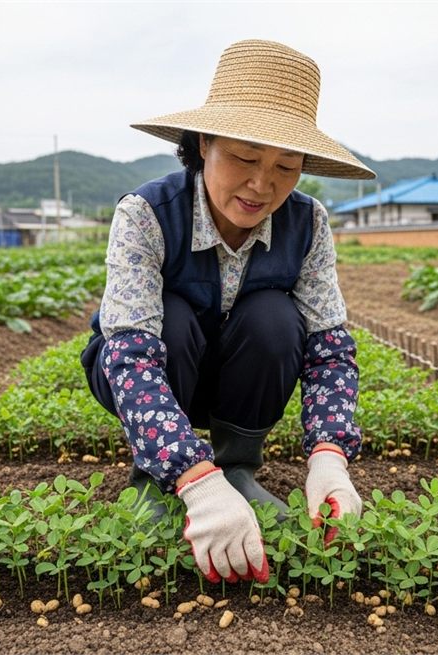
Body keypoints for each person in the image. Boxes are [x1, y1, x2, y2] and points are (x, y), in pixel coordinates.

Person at [80, 39, 374, 586]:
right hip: (154, 371)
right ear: (203, 144)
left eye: (286, 166)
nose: (263, 184)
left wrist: (330, 456)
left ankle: (238, 467)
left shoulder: (308, 223)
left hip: (241, 380)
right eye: (244, 157)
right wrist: (195, 479)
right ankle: (156, 479)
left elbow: (330, 350)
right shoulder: (145, 214)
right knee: (169, 317)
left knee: (274, 317)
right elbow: (130, 357)